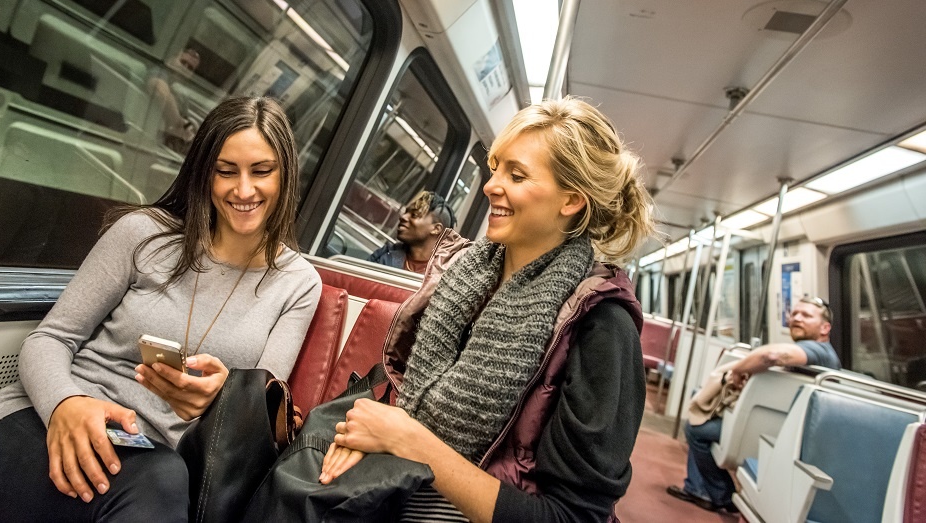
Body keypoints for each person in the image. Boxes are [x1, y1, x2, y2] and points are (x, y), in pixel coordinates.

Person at [0, 96, 322, 522]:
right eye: (226, 171)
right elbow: (49, 338)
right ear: (204, 173)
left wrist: (222, 398)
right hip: (40, 424)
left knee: (163, 480)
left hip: (153, 468)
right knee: (160, 483)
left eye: (261, 171)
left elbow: (256, 417)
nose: (243, 190)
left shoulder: (298, 284)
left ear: (285, 176)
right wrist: (66, 404)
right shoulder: (144, 234)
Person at [319, 97, 655, 522]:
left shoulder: (603, 328)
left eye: (516, 175)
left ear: (571, 200)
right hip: (396, 491)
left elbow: (571, 516)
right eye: (495, 168)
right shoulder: (463, 278)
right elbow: (414, 401)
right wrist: (380, 433)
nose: (490, 186)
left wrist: (411, 442)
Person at [666, 296, 840, 513]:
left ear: (825, 328)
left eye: (806, 315)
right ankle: (699, 487)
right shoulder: (814, 352)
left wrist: (738, 370)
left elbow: (772, 355)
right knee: (702, 409)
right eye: (794, 313)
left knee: (696, 429)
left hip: (781, 434)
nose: (797, 318)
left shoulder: (820, 351)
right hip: (778, 425)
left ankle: (719, 494)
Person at [368, 190, 456, 273]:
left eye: (414, 215)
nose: (403, 217)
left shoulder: (445, 275)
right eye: (406, 212)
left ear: (436, 229)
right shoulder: (385, 253)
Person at [147, 47, 201, 153]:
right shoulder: (158, 72)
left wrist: (186, 129)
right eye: (183, 62)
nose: (185, 68)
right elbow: (159, 90)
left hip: (166, 142)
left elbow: (185, 121)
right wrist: (178, 123)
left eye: (190, 68)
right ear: (171, 60)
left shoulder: (180, 94)